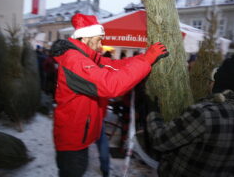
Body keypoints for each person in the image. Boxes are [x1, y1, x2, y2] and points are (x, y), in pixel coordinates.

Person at [51, 13, 169, 177]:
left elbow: (114, 65)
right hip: (72, 140)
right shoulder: (75, 60)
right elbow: (110, 85)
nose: (101, 45)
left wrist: (144, 57)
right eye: (99, 39)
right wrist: (146, 60)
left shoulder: (87, 57)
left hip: (79, 133)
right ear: (85, 38)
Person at [146, 55, 234, 177]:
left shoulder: (204, 114)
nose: (210, 81)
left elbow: (160, 140)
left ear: (219, 83)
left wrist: (153, 112)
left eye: (213, 78)